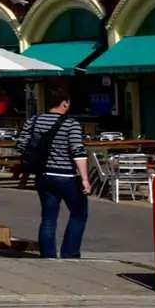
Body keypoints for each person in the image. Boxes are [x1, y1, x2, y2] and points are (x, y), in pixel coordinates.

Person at [17, 84, 91, 259]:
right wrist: (85, 179)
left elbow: (20, 145)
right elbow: (77, 151)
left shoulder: (33, 121)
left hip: (44, 175)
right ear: (64, 104)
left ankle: (48, 255)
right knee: (78, 213)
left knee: (48, 217)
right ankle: (70, 252)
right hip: (67, 176)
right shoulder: (71, 124)